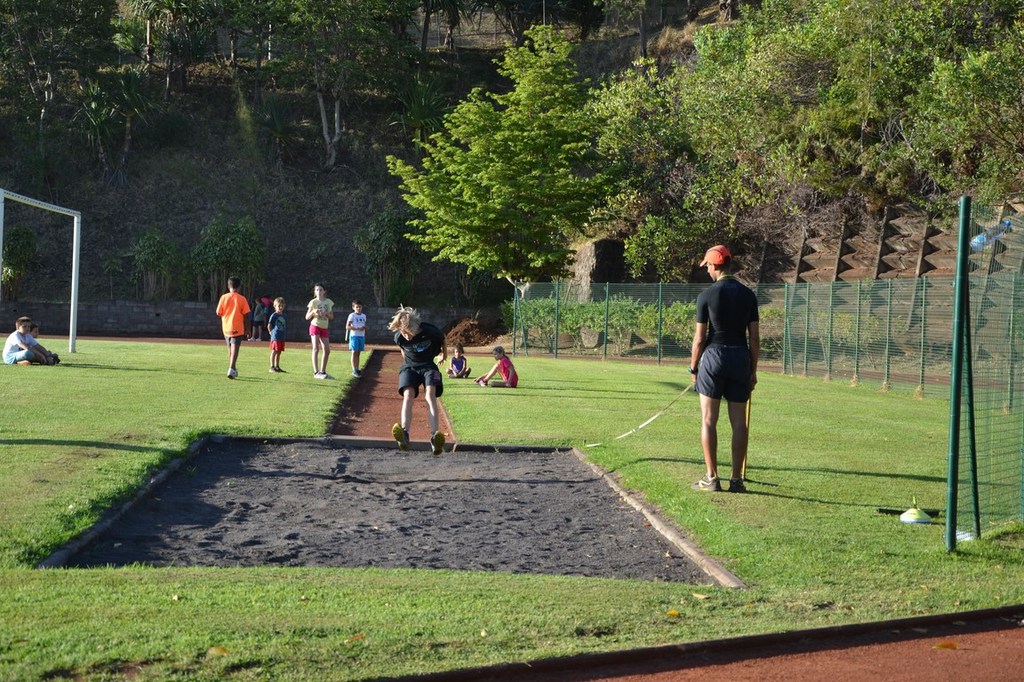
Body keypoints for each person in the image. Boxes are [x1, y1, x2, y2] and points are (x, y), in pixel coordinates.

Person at [689, 245, 759, 494]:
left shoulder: (706, 295)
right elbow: (754, 338)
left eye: (707, 266)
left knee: (709, 420)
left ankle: (712, 478)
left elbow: (699, 339)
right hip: (740, 357)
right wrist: (753, 370)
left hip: (713, 357)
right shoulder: (748, 295)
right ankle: (736, 481)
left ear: (714, 265)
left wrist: (693, 368)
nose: (707, 270)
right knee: (739, 422)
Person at [388, 305, 447, 456]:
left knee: (430, 395)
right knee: (408, 395)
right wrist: (408, 363)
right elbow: (403, 349)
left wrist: (444, 356)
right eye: (403, 332)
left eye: (408, 333)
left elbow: (443, 340)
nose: (406, 336)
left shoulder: (430, 331)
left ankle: (435, 437)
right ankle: (404, 434)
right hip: (410, 367)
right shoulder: (399, 337)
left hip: (429, 366)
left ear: (414, 328)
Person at [216, 276, 251, 379]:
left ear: (228, 286)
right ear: (239, 287)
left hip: (226, 327)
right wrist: (248, 329)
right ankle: (231, 368)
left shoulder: (223, 297)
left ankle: (233, 368)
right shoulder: (242, 299)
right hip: (237, 327)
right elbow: (246, 315)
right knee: (235, 348)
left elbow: (218, 312)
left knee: (230, 348)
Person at [305, 283, 334, 379]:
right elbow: (307, 317)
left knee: (327, 350)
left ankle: (322, 371)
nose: (319, 291)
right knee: (316, 348)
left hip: (324, 327)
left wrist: (326, 314)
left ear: (324, 291)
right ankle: (316, 372)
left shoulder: (328, 302)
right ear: (314, 292)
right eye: (317, 290)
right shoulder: (313, 302)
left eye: (321, 290)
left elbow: (331, 317)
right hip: (315, 326)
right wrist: (314, 312)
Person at [345, 300, 367, 377]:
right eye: (357, 307)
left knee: (358, 353)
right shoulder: (352, 315)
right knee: (354, 352)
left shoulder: (364, 316)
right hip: (354, 336)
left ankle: (357, 369)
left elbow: (364, 325)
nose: (358, 308)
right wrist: (356, 328)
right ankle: (354, 370)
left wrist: (364, 327)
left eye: (360, 307)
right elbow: (347, 326)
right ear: (353, 307)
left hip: (361, 336)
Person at [267, 297, 287, 373]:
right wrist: (271, 332)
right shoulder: (274, 315)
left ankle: (277, 366)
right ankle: (272, 366)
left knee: (279, 352)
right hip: (275, 336)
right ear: (275, 306)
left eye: (282, 306)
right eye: (279, 306)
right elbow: (269, 325)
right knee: (274, 351)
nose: (281, 307)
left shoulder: (284, 315)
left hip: (281, 336)